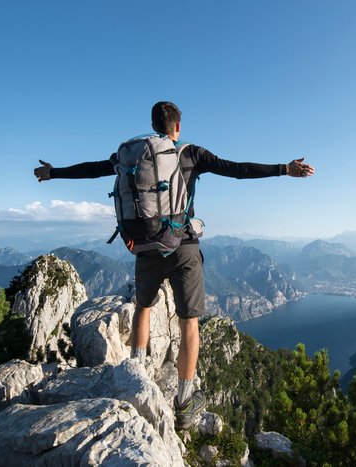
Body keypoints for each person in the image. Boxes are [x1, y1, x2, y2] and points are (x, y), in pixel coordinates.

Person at [34, 101, 315, 430]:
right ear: (177, 127)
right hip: (183, 248)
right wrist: (284, 168)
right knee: (189, 322)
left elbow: (93, 168)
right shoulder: (191, 153)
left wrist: (53, 172)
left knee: (143, 307)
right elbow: (238, 170)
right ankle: (184, 403)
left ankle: (133, 380)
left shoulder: (132, 156)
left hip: (145, 246)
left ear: (154, 125)